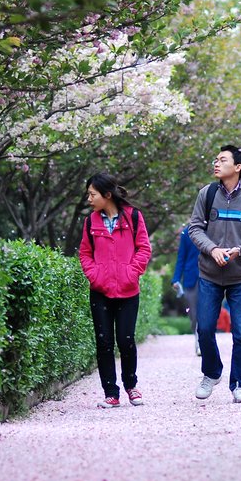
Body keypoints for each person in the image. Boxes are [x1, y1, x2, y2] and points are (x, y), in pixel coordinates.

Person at [187, 145, 241, 403]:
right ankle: (211, 373)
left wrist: (240, 250)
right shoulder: (207, 193)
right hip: (209, 275)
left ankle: (240, 386)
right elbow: (194, 229)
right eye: (216, 159)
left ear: (237, 167)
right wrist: (212, 249)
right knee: (204, 329)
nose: (216, 163)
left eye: (222, 160)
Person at [78, 173, 152, 408]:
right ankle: (111, 392)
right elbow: (84, 253)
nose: (89, 199)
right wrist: (95, 275)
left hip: (128, 290)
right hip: (100, 290)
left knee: (126, 339)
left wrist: (131, 273)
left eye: (92, 194)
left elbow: (144, 248)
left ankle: (131, 386)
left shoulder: (133, 217)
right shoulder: (91, 222)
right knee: (104, 342)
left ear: (107, 195)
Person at [171, 224, 201, 356]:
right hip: (191, 279)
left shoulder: (213, 228)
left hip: (211, 278)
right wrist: (176, 279)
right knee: (194, 315)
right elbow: (181, 257)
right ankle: (198, 340)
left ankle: (205, 343)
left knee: (208, 314)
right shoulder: (186, 233)